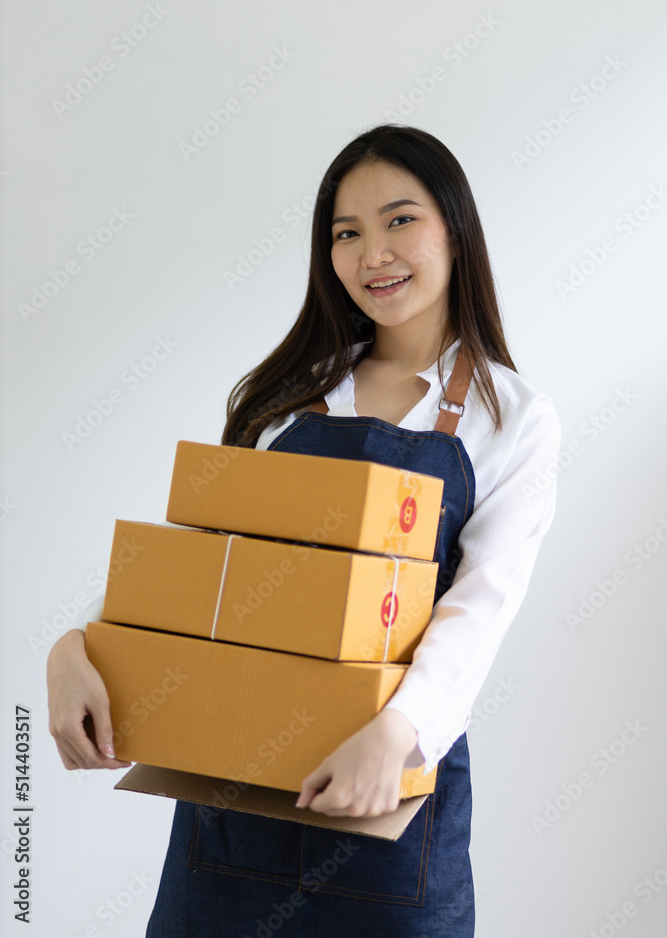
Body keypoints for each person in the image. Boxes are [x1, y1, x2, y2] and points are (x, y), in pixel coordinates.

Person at [47, 122, 561, 936]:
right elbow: (200, 580)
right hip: (231, 810)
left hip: (387, 802)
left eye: (399, 221)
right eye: (345, 234)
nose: (372, 254)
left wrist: (395, 730)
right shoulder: (283, 399)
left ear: (455, 230)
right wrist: (76, 646)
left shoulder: (512, 420)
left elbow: (481, 609)